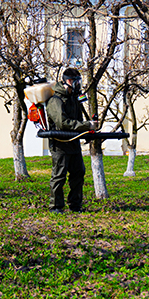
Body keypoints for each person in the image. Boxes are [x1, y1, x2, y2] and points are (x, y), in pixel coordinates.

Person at [45, 67, 96, 213]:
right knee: (59, 175)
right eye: (76, 82)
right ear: (68, 81)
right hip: (60, 142)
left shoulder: (74, 98)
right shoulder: (56, 100)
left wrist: (86, 132)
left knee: (78, 173)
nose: (78, 85)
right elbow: (63, 123)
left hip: (73, 142)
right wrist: (86, 125)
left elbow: (78, 120)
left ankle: (75, 205)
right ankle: (56, 207)